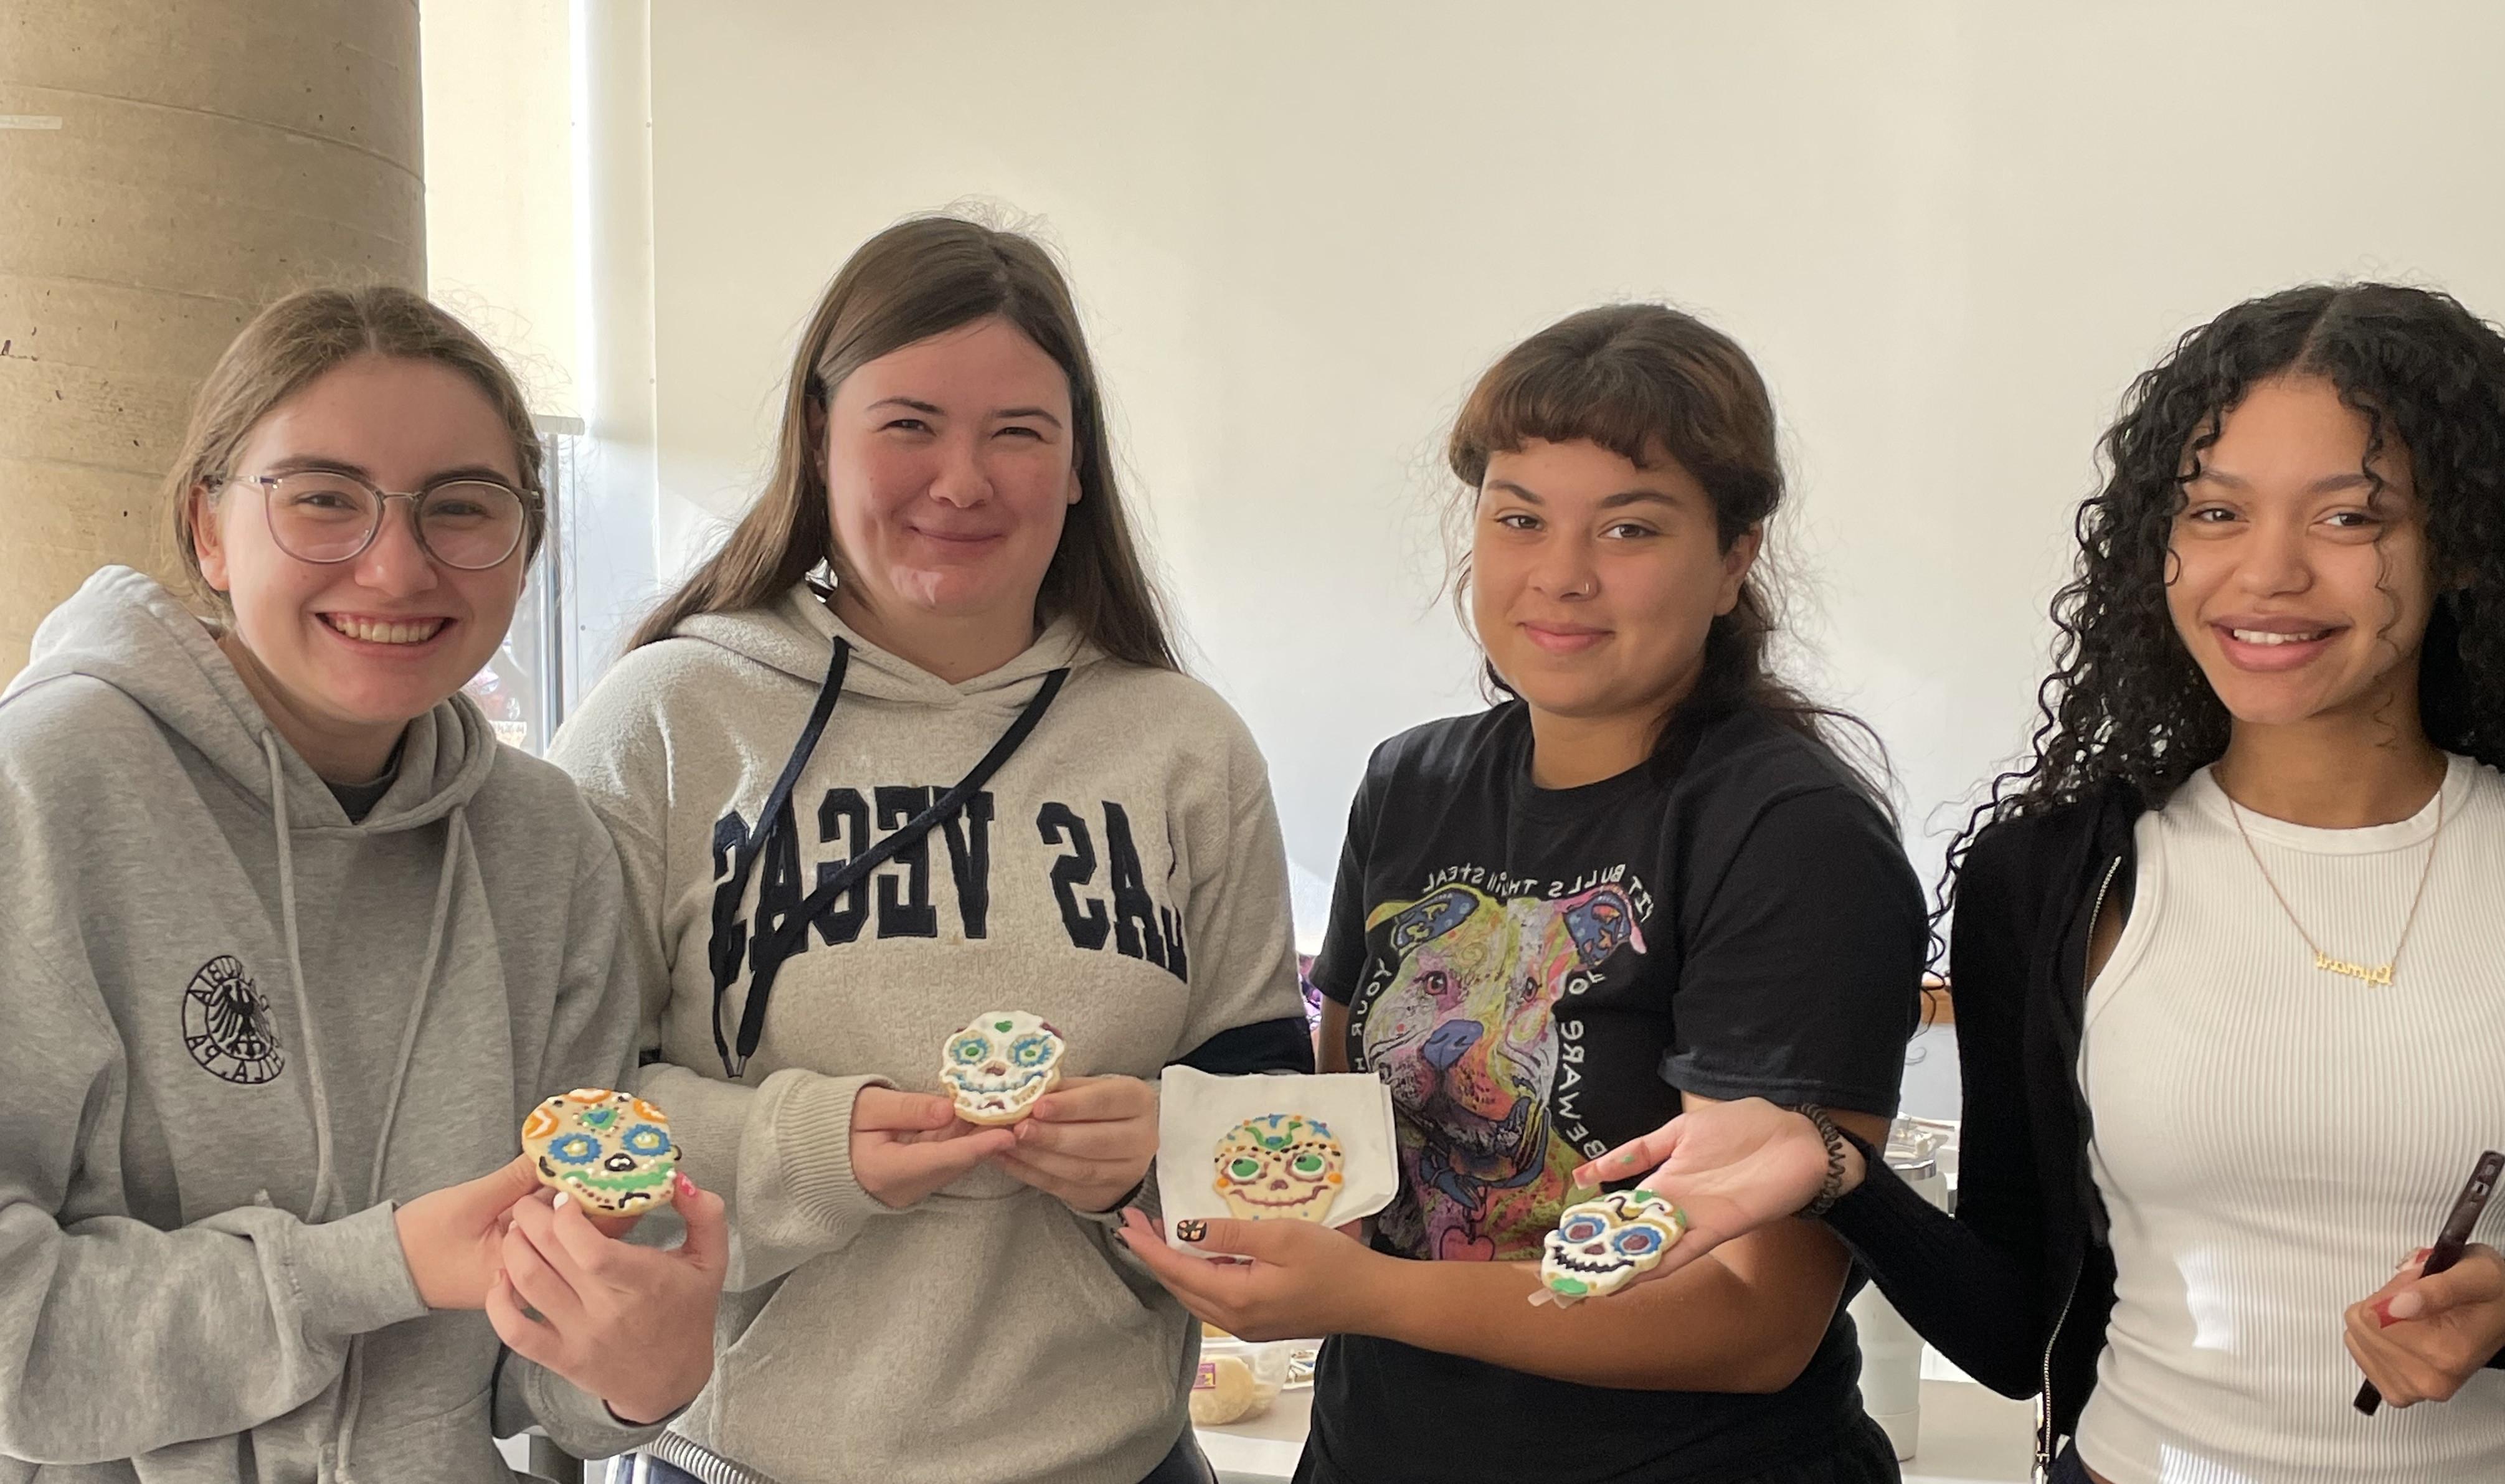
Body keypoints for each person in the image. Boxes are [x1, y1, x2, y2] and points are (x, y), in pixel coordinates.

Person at [1582, 283, 2505, 1484]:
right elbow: (2015, 1335)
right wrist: (1840, 1174)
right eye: (2216, 512)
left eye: (2348, 517)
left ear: (2463, 543)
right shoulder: (2056, 880)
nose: (2266, 573)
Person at [549, 215, 1312, 1484]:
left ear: (1077, 466)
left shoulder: (1187, 747)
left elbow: (1272, 1117)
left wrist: (1164, 1149)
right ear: (816, 434)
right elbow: (554, 1115)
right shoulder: (666, 720)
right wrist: (801, 1149)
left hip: (1118, 1460)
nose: (962, 481)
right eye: (908, 423)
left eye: (1018, 432)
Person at [1119, 303, 1925, 1484]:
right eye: (1518, 518)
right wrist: (1170, 1163)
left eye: (1630, 528)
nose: (1561, 575)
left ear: (1736, 556)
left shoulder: (1790, 834)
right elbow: (1351, 1141)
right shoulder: (1413, 784)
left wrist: (1381, 1296)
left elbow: (1758, 1322)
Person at [0, 285, 726, 1482]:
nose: (395, 567)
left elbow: (532, 1364)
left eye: (462, 508)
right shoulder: (48, 789)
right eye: (324, 500)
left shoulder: (543, 845)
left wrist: (638, 1369)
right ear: (208, 529)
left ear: (524, 546)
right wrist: (369, 1269)